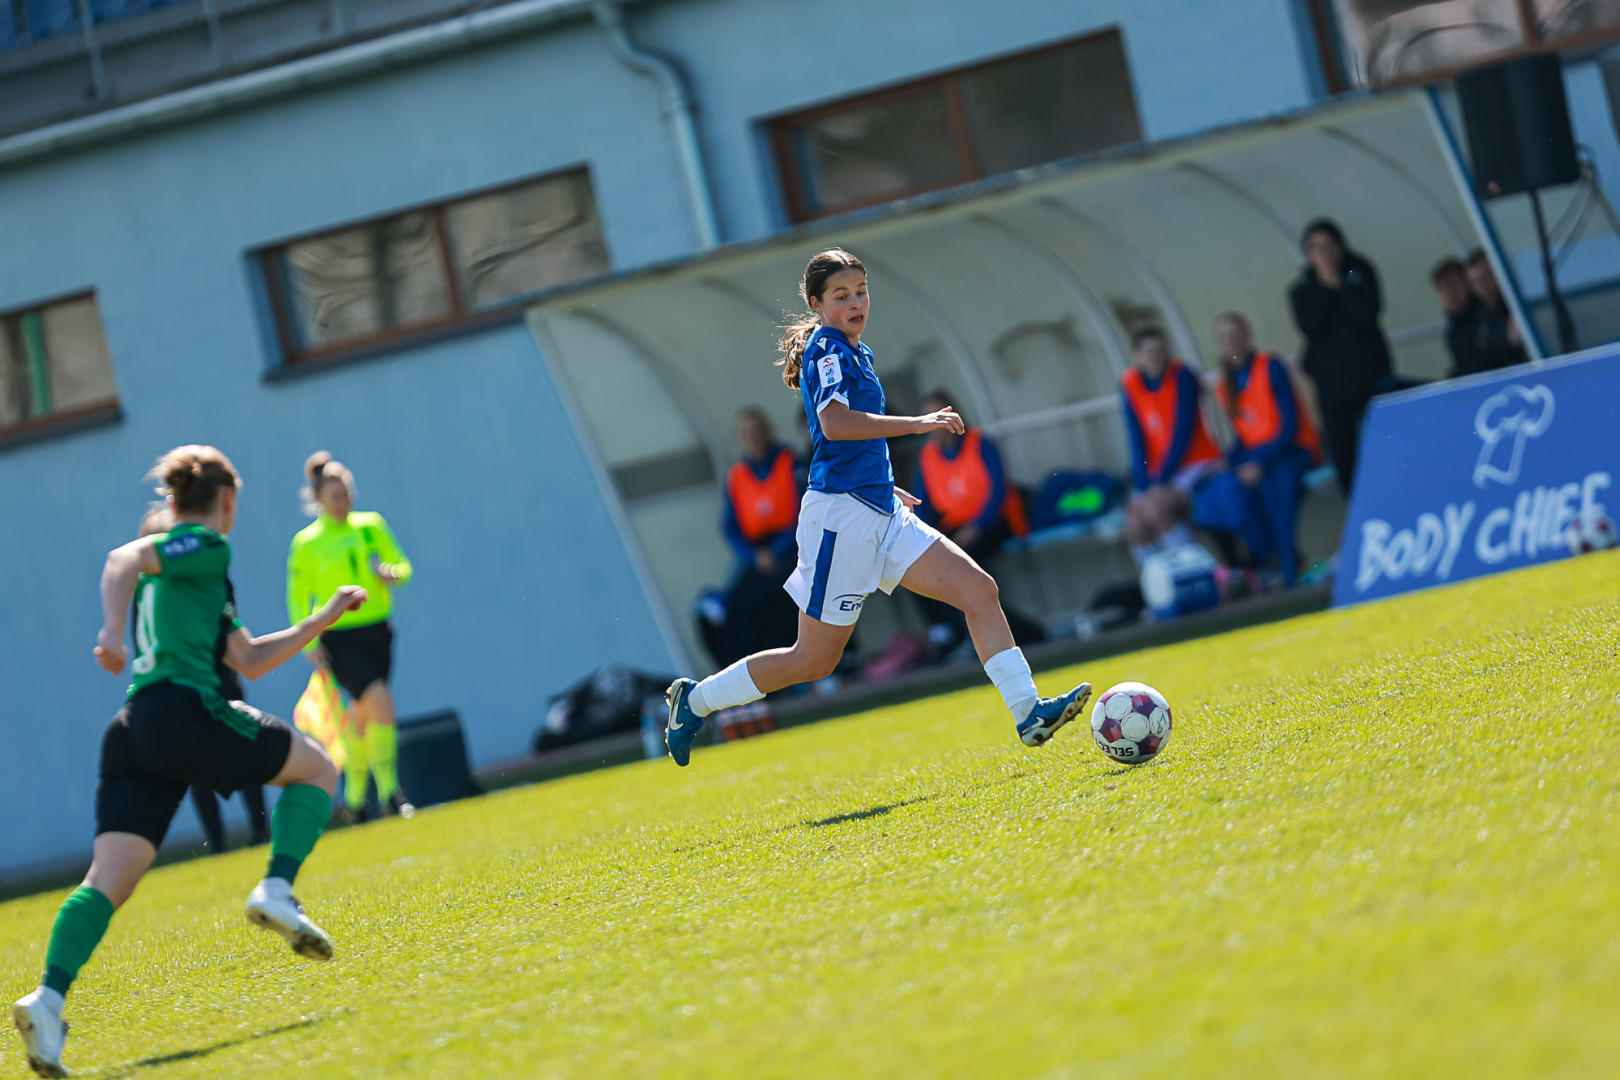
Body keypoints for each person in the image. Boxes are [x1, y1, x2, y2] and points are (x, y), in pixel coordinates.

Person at [10, 446, 366, 1079]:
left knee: (107, 881)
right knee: (318, 770)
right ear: (226, 500)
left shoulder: (197, 572)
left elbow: (248, 658)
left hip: (133, 730)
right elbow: (122, 558)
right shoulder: (206, 545)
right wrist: (109, 632)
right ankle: (276, 888)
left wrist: (324, 617)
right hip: (185, 710)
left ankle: (48, 999)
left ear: (173, 500)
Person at [662, 248, 1091, 767]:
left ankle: (1028, 713)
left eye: (861, 292)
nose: (856, 303)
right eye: (841, 295)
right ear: (817, 304)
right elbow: (836, 424)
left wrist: (885, 488)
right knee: (812, 660)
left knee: (979, 590)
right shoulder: (827, 349)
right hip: (841, 521)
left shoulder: (855, 350)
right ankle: (695, 701)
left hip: (879, 512)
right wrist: (919, 424)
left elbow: (853, 443)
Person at [287, 452, 415, 822]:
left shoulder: (370, 525)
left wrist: (391, 574)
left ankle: (355, 802)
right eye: (334, 497)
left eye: (346, 494)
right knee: (381, 701)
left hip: (378, 631)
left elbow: (403, 566)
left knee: (361, 714)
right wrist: (309, 643)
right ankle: (391, 793)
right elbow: (297, 598)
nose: (342, 502)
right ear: (318, 500)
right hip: (338, 637)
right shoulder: (307, 542)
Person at [139, 505, 268, 853]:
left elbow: (234, 635)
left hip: (219, 680)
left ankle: (260, 830)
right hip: (182, 690)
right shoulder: (150, 593)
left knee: (246, 750)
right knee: (195, 766)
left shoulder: (208, 579)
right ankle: (217, 842)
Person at [1194, 314, 1324, 588]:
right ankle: (1261, 563)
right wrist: (1228, 460)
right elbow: (1245, 436)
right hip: (1259, 455)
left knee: (1275, 487)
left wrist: (1259, 462)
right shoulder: (1225, 383)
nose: (1231, 342)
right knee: (1220, 492)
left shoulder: (1270, 366)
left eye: (1235, 334)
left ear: (1247, 337)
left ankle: (1289, 572)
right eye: (1224, 337)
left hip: (1291, 450)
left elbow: (1289, 427)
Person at [910, 388, 1043, 655]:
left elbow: (998, 491)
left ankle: (1014, 636)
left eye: (940, 414)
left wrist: (977, 527)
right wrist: (923, 541)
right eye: (929, 416)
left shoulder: (980, 442)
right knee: (916, 565)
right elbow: (920, 505)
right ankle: (949, 633)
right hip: (956, 527)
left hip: (995, 522)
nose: (935, 422)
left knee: (966, 568)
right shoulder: (927, 457)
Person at [1288, 218, 1392, 494]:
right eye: (1315, 248)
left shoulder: (1360, 272)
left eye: (1328, 246)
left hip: (1371, 378)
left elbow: (1367, 315)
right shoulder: (1302, 290)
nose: (1323, 254)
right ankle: (1357, 504)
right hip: (1333, 387)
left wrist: (1338, 285)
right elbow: (1311, 327)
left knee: (1385, 443)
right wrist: (1324, 286)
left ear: (1340, 247)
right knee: (1345, 456)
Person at [699, 409, 805, 669]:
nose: (752, 437)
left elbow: (804, 513)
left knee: (782, 599)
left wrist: (777, 551)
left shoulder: (792, 463)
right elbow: (730, 528)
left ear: (768, 431)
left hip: (793, 547)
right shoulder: (737, 476)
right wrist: (753, 556)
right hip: (756, 554)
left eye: (757, 430)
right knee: (735, 606)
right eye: (746, 433)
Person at [1118, 328, 1223, 567]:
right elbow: (1136, 439)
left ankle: (1192, 571)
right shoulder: (1129, 383)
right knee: (1136, 523)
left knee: (1158, 509)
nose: (1155, 357)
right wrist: (1143, 486)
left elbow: (1183, 433)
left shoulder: (1183, 376)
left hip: (1194, 462)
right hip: (1161, 471)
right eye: (1149, 352)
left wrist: (1160, 482)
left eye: (1160, 351)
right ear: (1137, 355)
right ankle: (1161, 581)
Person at [1465, 249, 1530, 369]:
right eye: (1476, 281)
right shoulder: (1476, 316)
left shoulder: (1517, 305)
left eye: (1487, 276)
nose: (1483, 285)